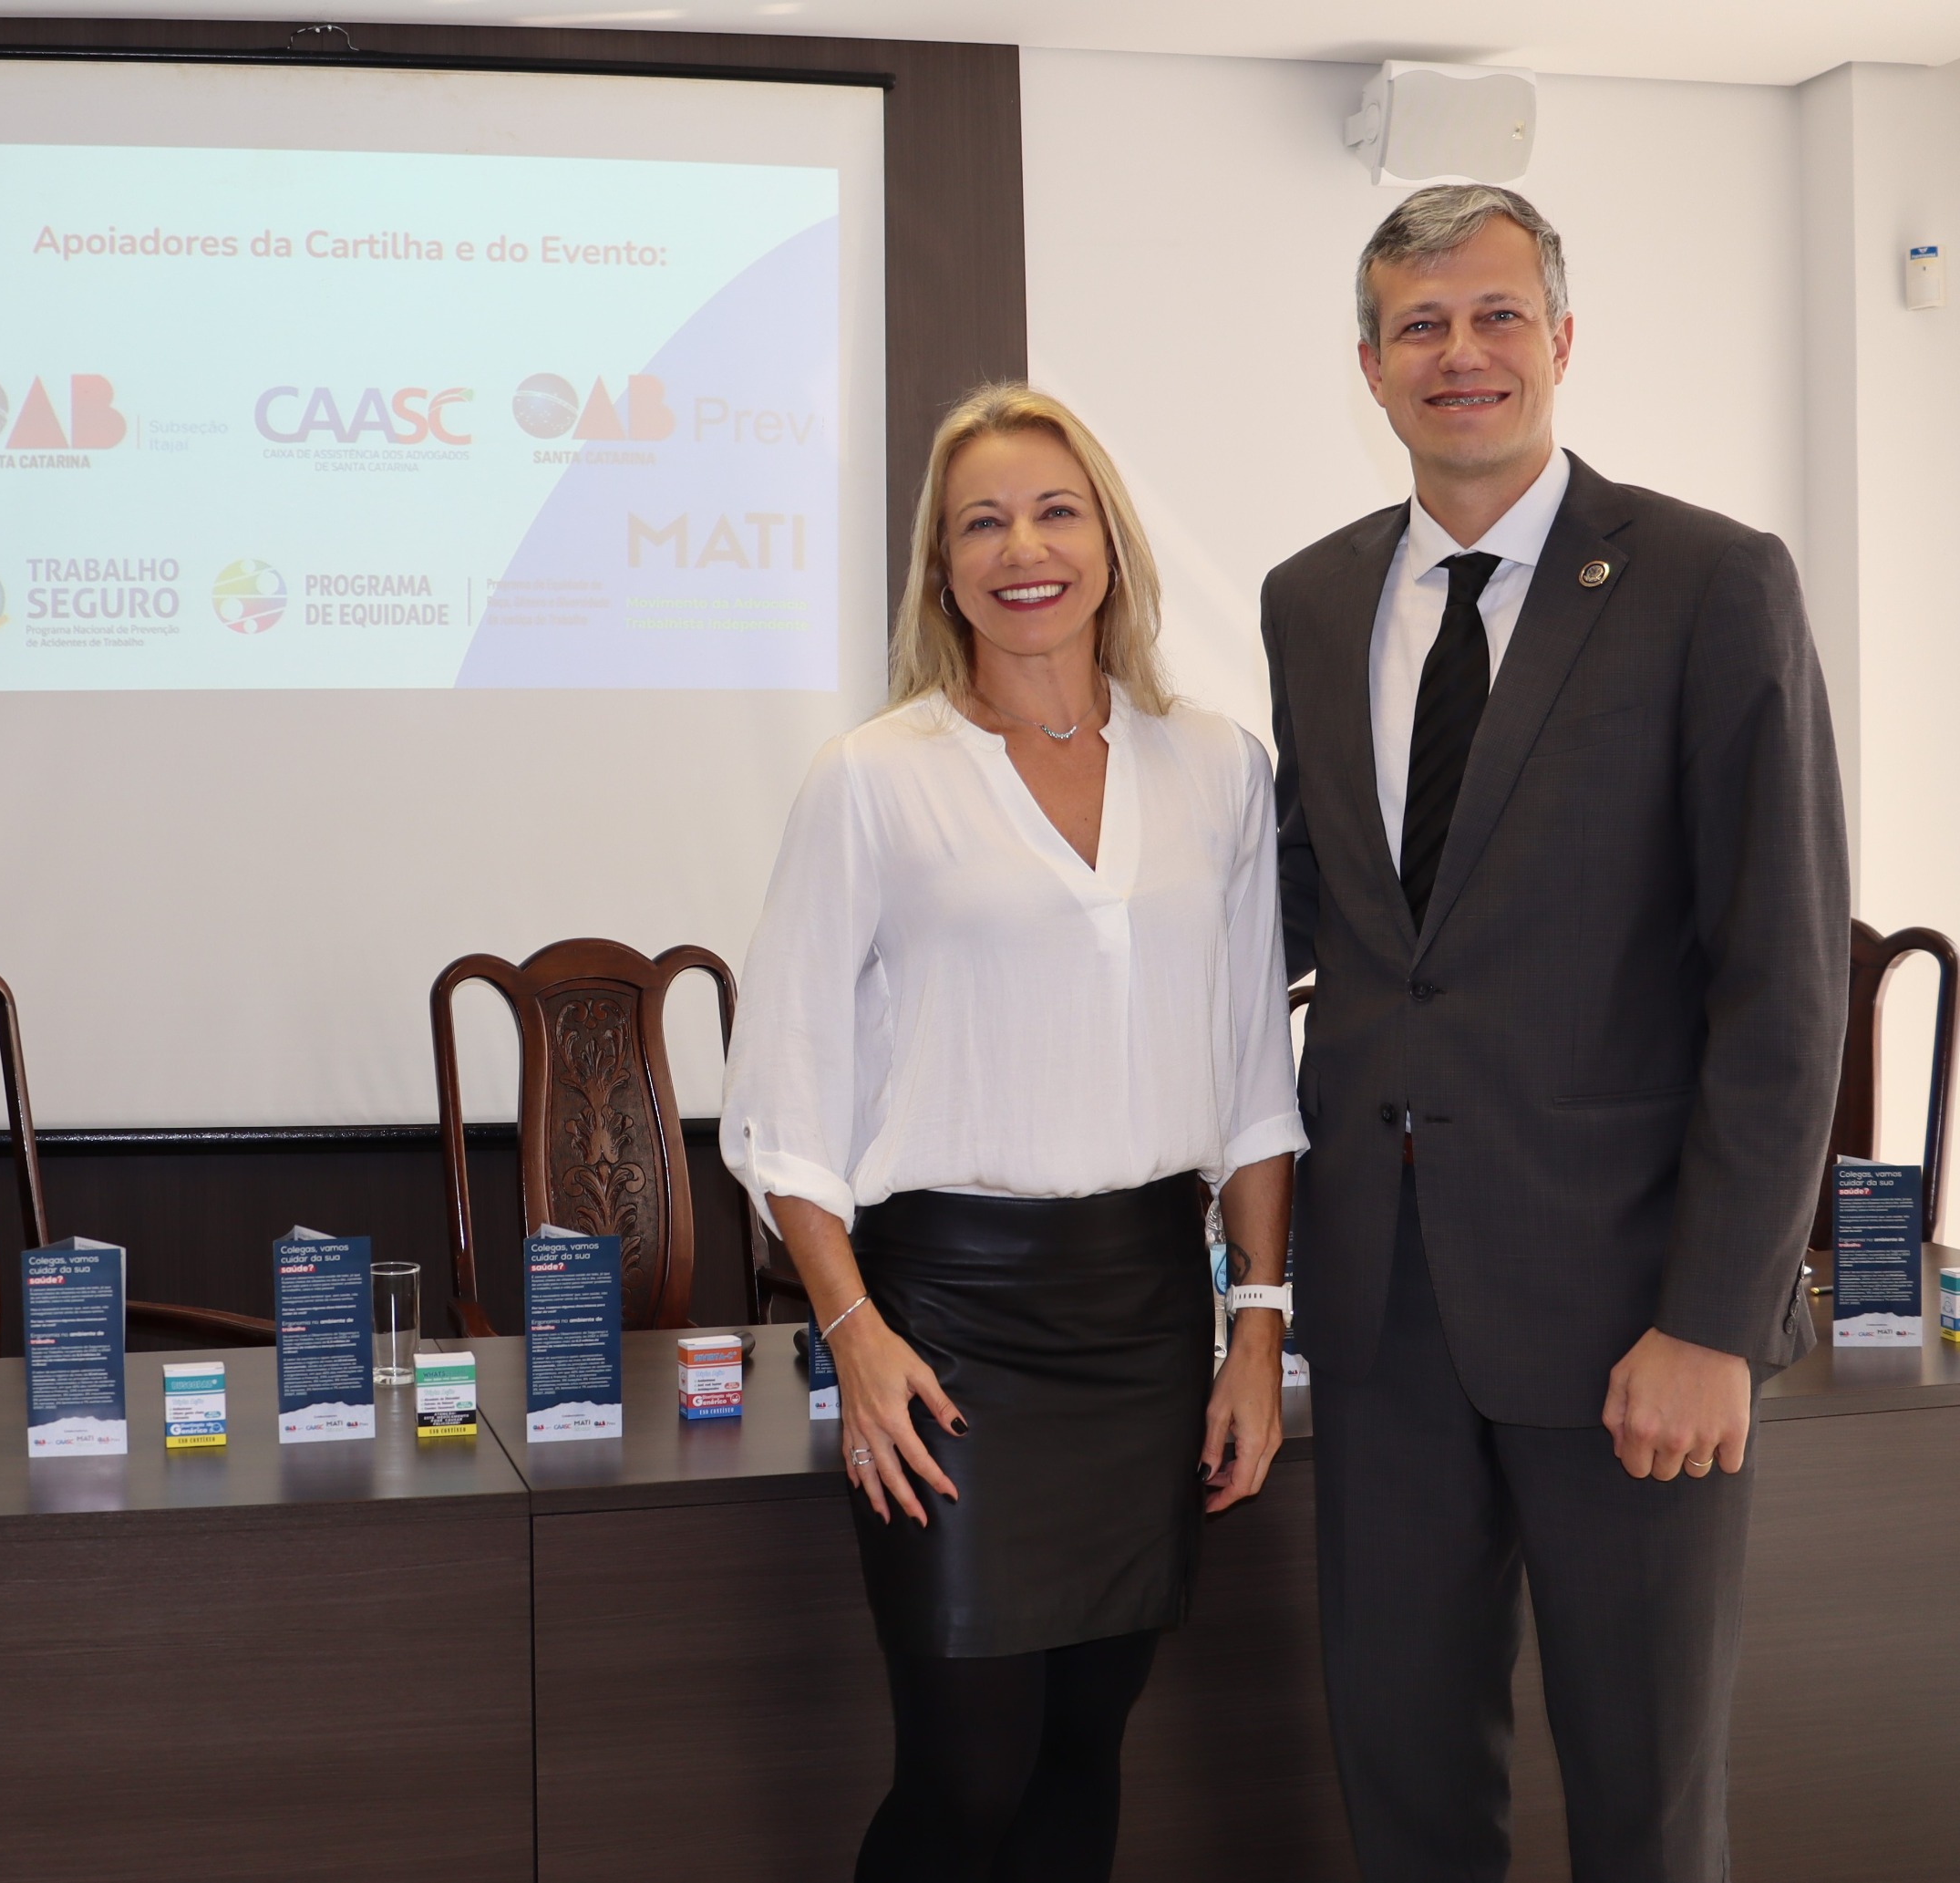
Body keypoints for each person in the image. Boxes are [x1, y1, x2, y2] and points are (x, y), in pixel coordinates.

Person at [1263, 184, 1847, 1880]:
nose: (1464, 355)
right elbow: (1316, 919)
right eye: (1421, 326)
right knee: (1408, 1792)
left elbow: (1784, 980)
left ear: (1563, 341)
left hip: (1629, 1330)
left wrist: (1714, 1320)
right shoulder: (1312, 601)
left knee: (1645, 1806)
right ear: (1367, 367)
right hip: (1381, 1317)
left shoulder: (1710, 581)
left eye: (1498, 315)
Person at [720, 382, 1305, 1882]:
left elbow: (1249, 1076)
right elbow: (782, 1105)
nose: (1022, 546)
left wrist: (1253, 1328)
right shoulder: (873, 778)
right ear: (940, 568)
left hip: (1148, 1313)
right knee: (966, 1767)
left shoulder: (1219, 768)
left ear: (1109, 537)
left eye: (1055, 509)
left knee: (1082, 1748)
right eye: (981, 521)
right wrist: (855, 1333)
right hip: (947, 1319)